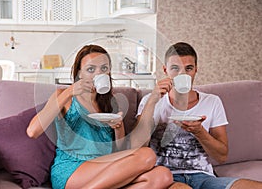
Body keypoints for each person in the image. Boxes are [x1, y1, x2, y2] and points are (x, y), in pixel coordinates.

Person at [26, 44, 173, 189]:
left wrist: (118, 127)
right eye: (91, 69)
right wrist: (69, 91)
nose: (98, 74)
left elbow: (119, 152)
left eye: (104, 68)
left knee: (163, 175)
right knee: (147, 155)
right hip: (73, 169)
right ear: (79, 73)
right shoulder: (64, 97)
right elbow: (33, 131)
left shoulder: (110, 103)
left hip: (106, 171)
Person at [136, 42, 262, 189]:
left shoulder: (212, 102)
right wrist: (152, 100)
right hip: (167, 177)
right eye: (175, 68)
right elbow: (138, 147)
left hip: (203, 177)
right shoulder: (150, 100)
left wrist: (200, 132)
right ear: (165, 70)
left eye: (188, 68)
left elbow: (221, 156)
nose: (182, 74)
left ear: (196, 70)